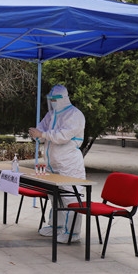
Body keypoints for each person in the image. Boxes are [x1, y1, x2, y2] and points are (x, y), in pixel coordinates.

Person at [28, 84, 86, 244]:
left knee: (70, 197)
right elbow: (42, 130)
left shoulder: (75, 114)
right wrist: (37, 134)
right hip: (52, 164)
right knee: (54, 197)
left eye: (55, 99)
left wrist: (43, 134)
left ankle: (72, 232)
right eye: (51, 99)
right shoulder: (51, 114)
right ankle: (57, 226)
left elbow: (63, 136)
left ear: (63, 98)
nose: (52, 102)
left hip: (69, 165)